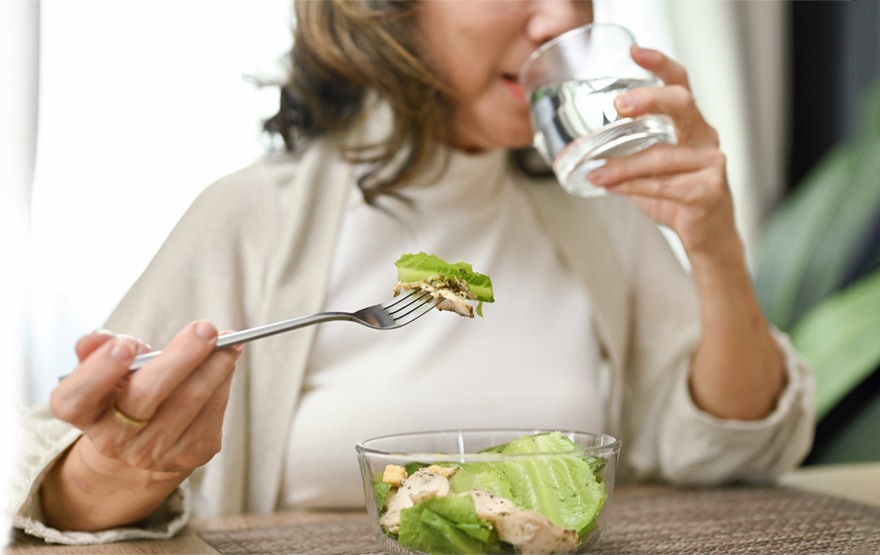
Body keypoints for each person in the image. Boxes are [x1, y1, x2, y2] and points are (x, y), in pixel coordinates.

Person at [10, 0, 814, 545]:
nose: (564, 18)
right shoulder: (250, 218)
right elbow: (53, 494)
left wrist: (714, 246)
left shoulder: (598, 214)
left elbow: (727, 455)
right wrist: (108, 475)